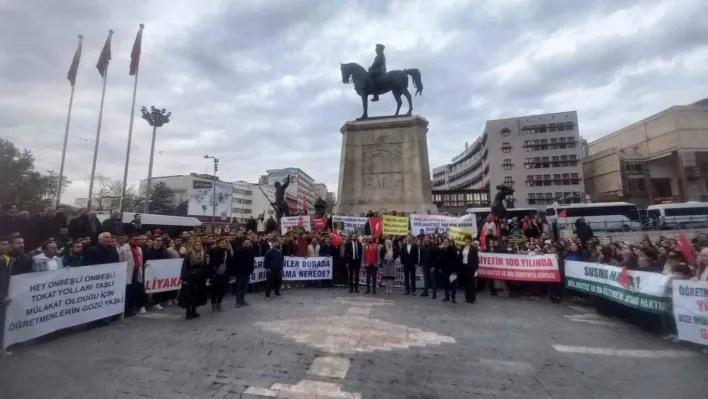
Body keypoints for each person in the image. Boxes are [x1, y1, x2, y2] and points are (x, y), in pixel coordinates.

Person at [179, 240, 208, 319]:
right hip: (190, 277)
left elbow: (205, 266)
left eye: (199, 245)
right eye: (197, 245)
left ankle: (194, 310)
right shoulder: (188, 255)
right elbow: (184, 267)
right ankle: (188, 312)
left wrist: (205, 274)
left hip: (200, 277)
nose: (198, 246)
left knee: (198, 295)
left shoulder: (203, 254)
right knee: (189, 295)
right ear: (193, 246)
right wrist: (183, 277)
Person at [119, 234, 147, 316]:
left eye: (138, 239)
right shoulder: (124, 249)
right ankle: (128, 310)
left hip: (137, 271)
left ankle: (134, 307)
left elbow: (140, 260)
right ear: (130, 239)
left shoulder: (139, 249)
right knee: (128, 291)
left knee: (136, 289)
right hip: (128, 272)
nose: (137, 241)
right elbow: (120, 261)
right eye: (135, 239)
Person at [208, 238, 231, 312]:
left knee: (222, 290)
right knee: (215, 290)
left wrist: (230, 273)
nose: (224, 244)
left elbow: (230, 263)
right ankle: (213, 304)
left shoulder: (227, 251)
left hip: (225, 274)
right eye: (222, 243)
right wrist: (212, 273)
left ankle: (219, 303)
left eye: (225, 243)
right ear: (218, 244)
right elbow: (210, 264)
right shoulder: (213, 251)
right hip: (215, 274)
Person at [231, 238, 255, 307]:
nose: (247, 244)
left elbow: (251, 262)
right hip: (240, 272)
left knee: (244, 287)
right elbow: (234, 263)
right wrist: (235, 272)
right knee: (239, 287)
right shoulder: (238, 251)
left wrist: (251, 270)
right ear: (243, 244)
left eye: (248, 243)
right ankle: (238, 301)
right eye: (246, 243)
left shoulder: (250, 251)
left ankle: (242, 300)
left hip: (247, 272)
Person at [458, 236, 478, 303]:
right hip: (464, 266)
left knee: (471, 283)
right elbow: (460, 256)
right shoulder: (462, 247)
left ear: (470, 240)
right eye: (465, 240)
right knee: (466, 283)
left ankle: (472, 298)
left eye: (468, 240)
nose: (466, 241)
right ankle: (467, 297)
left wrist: (476, 268)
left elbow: (476, 259)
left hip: (470, 267)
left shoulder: (473, 248)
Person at [440, 238, 459, 303]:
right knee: (446, 283)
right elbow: (441, 260)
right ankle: (446, 296)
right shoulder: (442, 249)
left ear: (449, 242)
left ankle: (453, 297)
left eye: (447, 242)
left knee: (453, 283)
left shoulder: (453, 249)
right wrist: (440, 268)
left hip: (452, 270)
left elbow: (456, 259)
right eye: (444, 241)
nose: (445, 243)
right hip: (445, 270)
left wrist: (455, 269)